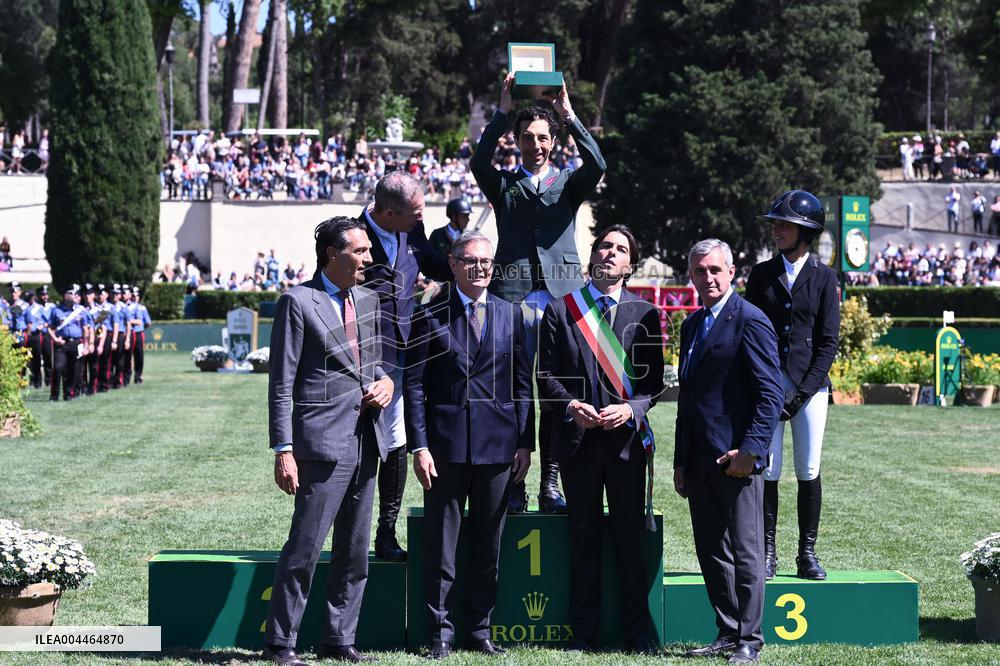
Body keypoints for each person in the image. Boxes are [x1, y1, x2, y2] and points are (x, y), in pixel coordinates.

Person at [471, 73, 607, 515]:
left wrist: (569, 114)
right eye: (528, 137)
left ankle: (551, 482)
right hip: (511, 295)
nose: (536, 145)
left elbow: (598, 164)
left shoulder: (568, 182)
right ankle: (516, 481)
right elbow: (477, 164)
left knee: (555, 389)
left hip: (561, 297)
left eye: (544, 137)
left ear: (554, 140)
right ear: (517, 141)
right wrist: (502, 110)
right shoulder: (505, 185)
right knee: (514, 391)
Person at [263, 216, 394, 666]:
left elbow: (373, 366)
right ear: (331, 255)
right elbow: (281, 383)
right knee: (304, 550)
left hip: (366, 441)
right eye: (359, 251)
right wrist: (283, 449)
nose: (368, 258)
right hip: (319, 445)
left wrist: (387, 384)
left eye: (367, 251)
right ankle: (281, 644)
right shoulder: (298, 302)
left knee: (355, 553)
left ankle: (340, 640)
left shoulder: (372, 301)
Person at [405, 231, 533, 659]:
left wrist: (524, 443)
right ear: (454, 263)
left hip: (498, 449)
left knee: (487, 547)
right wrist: (419, 446)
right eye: (470, 261)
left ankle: (479, 630)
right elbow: (415, 386)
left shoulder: (510, 314)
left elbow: (521, 384)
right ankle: (439, 633)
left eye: (485, 262)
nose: (479, 268)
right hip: (444, 449)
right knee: (442, 547)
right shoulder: (430, 315)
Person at [537, 225, 664, 654]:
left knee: (630, 541)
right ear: (592, 256)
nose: (610, 253)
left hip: (626, 446)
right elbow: (545, 376)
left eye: (621, 249)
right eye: (605, 246)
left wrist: (631, 410)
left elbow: (654, 386)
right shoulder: (561, 310)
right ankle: (583, 634)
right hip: (578, 444)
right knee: (584, 539)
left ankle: (637, 633)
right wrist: (572, 405)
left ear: (630, 264)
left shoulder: (645, 313)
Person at [673, 239, 783, 665]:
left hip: (738, 463)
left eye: (715, 270)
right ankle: (727, 630)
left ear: (731, 272)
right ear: (692, 275)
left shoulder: (750, 319)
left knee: (746, 551)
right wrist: (682, 461)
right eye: (700, 271)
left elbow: (770, 394)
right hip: (699, 462)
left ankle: (750, 640)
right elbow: (690, 400)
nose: (708, 278)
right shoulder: (691, 325)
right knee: (711, 551)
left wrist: (751, 452)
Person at [744, 190, 840, 583]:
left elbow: (828, 341)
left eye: (783, 224)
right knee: (769, 470)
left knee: (808, 467)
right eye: (775, 224)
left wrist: (801, 393)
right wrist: (768, 386)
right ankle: (768, 552)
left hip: (811, 388)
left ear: (805, 231)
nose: (776, 230)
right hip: (769, 385)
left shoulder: (823, 277)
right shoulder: (761, 275)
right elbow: (749, 330)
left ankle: (807, 552)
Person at [358, 171, 452, 562]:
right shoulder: (349, 235)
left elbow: (434, 263)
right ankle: (352, 534)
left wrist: (468, 266)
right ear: (388, 212)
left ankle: (386, 532)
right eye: (415, 212)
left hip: (400, 357)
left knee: (395, 441)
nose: (422, 216)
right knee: (357, 445)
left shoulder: (413, 228)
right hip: (357, 358)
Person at [48, 285, 88, 402]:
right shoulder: (56, 310)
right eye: (71, 293)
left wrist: (86, 345)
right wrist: (55, 339)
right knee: (57, 368)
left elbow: (85, 329)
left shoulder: (81, 311)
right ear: (65, 296)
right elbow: (50, 328)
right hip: (61, 343)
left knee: (73, 370)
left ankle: (68, 393)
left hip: (76, 343)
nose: (74, 296)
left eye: (75, 293)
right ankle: (54, 395)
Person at [130, 286, 151, 384]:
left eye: (136, 296)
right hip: (129, 333)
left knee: (139, 355)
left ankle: (138, 376)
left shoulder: (142, 308)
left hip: (138, 333)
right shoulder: (127, 306)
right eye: (132, 296)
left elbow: (148, 322)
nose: (134, 298)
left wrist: (141, 328)